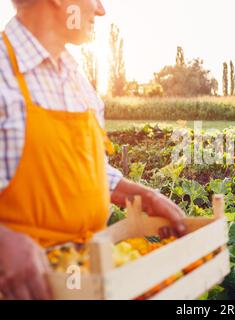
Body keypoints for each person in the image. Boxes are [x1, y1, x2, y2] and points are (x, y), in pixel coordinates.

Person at [0, 0, 187, 300]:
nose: (100, 10)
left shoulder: (75, 79)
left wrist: (141, 195)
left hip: (80, 280)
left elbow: (84, 166)